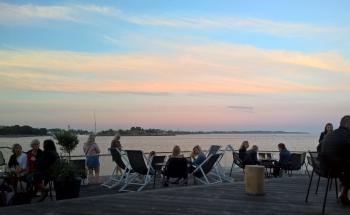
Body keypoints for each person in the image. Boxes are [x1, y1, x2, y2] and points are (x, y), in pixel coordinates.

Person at [319, 115, 350, 206]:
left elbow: (319, 148)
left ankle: (343, 193)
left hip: (324, 168)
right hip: (334, 170)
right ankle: (343, 193)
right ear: (348, 124)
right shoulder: (347, 135)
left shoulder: (331, 134)